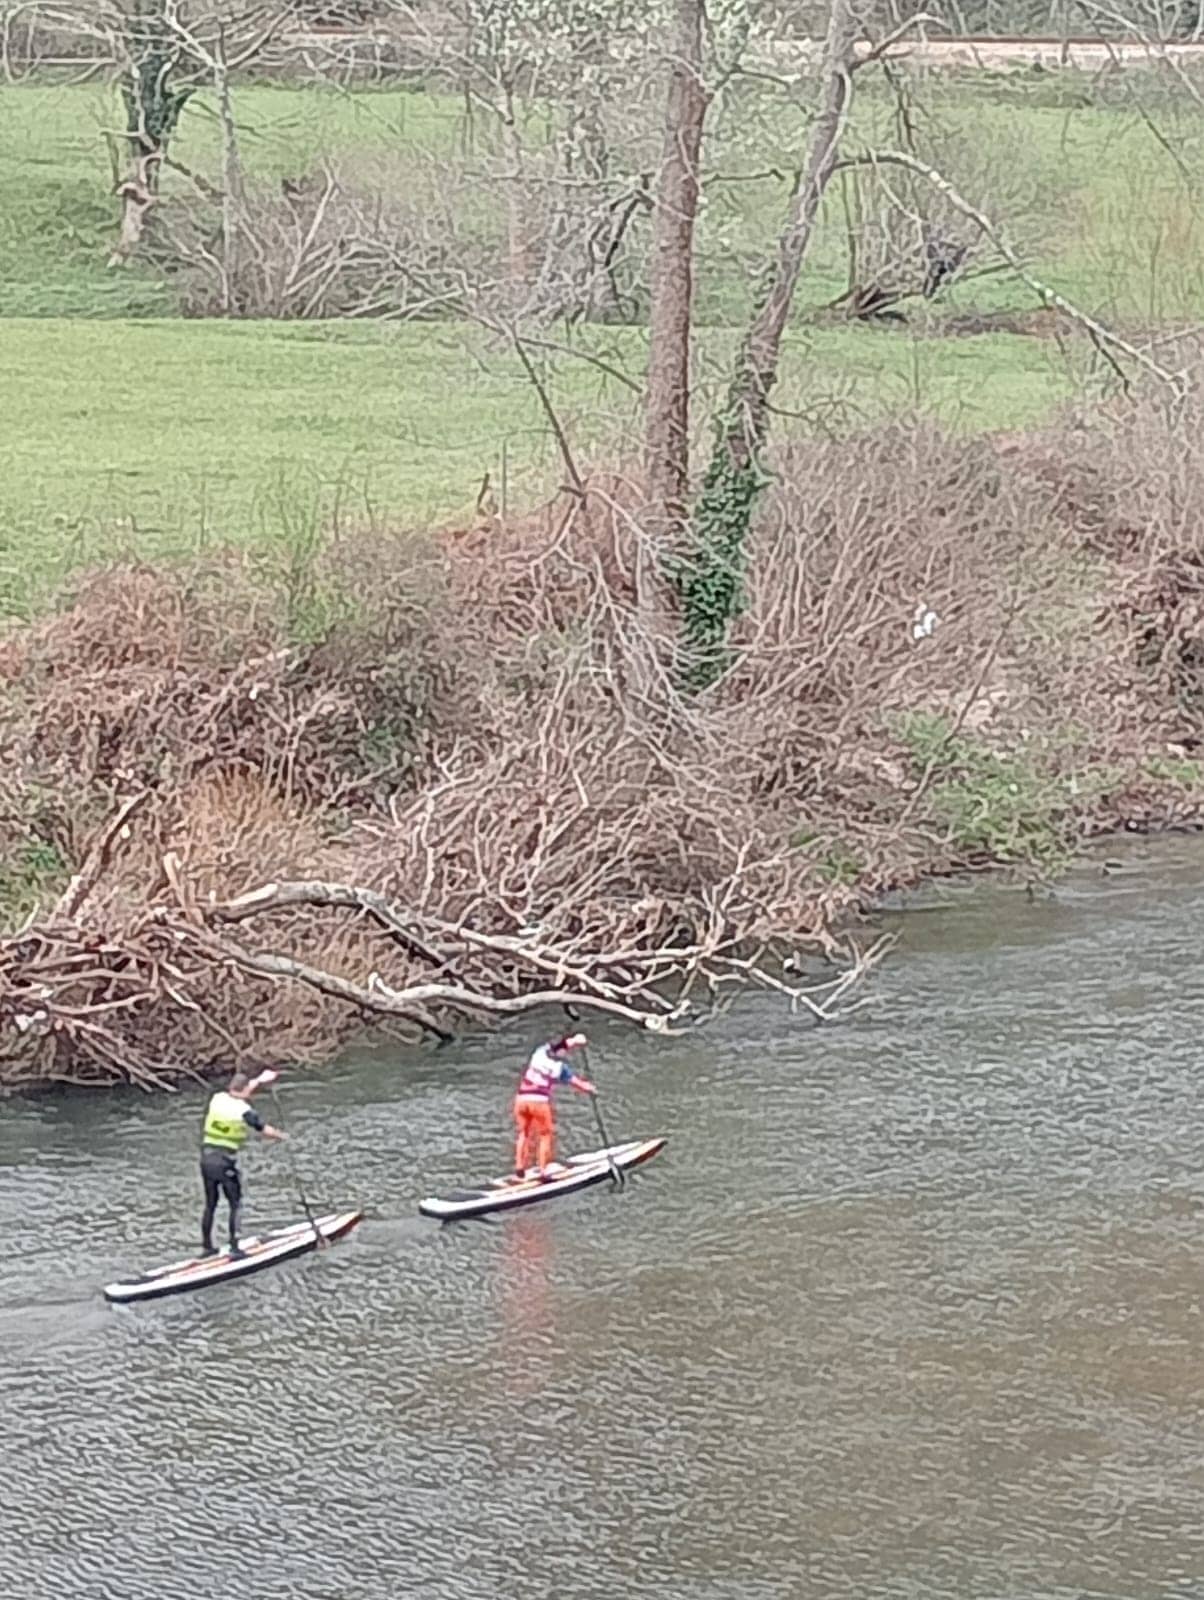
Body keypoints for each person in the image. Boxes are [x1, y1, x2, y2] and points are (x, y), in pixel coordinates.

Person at [200, 1069, 287, 1258]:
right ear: (245, 1089)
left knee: (211, 1204)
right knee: (236, 1204)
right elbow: (263, 1128)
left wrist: (260, 1079)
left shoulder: (217, 1098)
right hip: (224, 1162)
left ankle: (207, 1248)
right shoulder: (244, 1111)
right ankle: (234, 1248)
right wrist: (282, 1136)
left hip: (206, 1159)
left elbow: (242, 1090)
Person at [513, 1033, 595, 1180]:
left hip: (521, 1099)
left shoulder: (538, 1054)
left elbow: (559, 1045)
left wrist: (575, 1041)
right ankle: (543, 1170)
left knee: (523, 1133)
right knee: (545, 1134)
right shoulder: (559, 1068)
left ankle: (520, 1166)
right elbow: (576, 1082)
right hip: (538, 1102)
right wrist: (590, 1089)